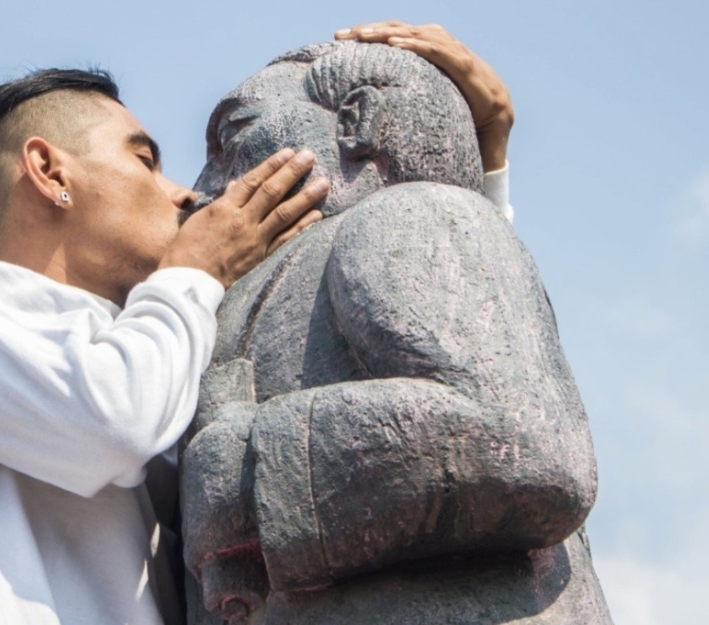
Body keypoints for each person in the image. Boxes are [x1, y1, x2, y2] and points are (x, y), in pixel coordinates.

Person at [0, 21, 514, 625]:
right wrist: (192, 271)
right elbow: (111, 421)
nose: (185, 193)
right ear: (50, 172)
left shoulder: (166, 333)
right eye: (144, 159)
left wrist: (481, 171)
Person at [179, 29, 610, 625]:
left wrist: (244, 466)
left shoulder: (409, 217)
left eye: (235, 135)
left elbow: (524, 443)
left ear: (354, 121)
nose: (197, 189)